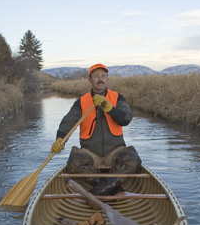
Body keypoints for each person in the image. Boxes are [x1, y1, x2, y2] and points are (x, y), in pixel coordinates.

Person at [51, 63, 141, 195]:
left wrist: (109, 108)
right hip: (91, 153)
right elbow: (68, 121)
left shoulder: (118, 98)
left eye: (103, 76)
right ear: (90, 80)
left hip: (115, 151)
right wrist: (60, 138)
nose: (100, 79)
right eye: (96, 76)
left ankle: (100, 189)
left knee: (133, 159)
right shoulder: (81, 102)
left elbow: (126, 119)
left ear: (107, 79)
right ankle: (108, 186)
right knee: (74, 161)